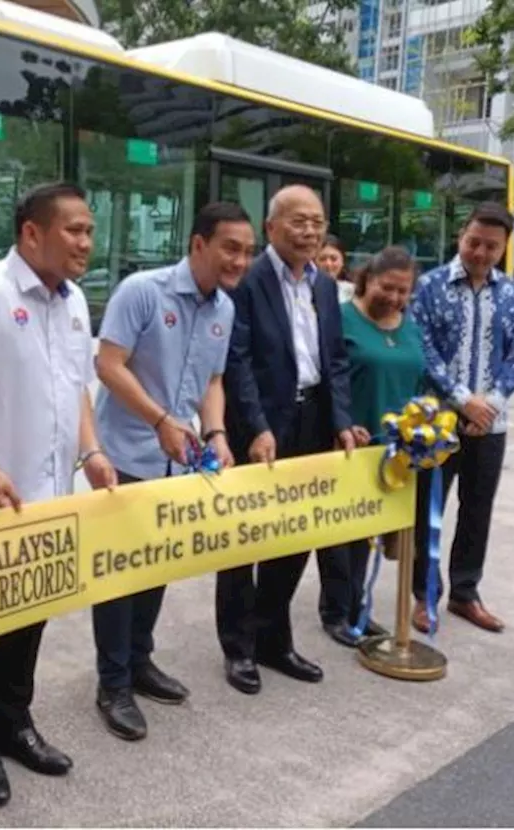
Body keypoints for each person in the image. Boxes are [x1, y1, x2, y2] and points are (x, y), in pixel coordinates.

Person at [0, 181, 117, 808]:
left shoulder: (74, 303)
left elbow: (76, 388)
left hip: (50, 498)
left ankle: (16, 722)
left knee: (30, 617)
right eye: (75, 230)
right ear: (32, 233)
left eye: (90, 231)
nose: (86, 242)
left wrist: (90, 451)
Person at [91, 202, 251, 741]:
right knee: (118, 573)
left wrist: (217, 434)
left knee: (155, 564)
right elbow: (107, 365)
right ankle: (112, 683)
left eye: (248, 252)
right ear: (199, 244)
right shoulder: (143, 290)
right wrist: (159, 418)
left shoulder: (224, 310)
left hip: (176, 459)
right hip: (124, 455)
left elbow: (212, 382)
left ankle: (139, 660)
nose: (239, 260)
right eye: (231, 247)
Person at [217, 184, 356, 695]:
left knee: (294, 533)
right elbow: (237, 361)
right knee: (245, 541)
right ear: (272, 227)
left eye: (317, 222)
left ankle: (273, 638)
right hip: (261, 426)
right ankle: (238, 648)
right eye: (299, 221)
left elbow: (335, 358)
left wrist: (341, 420)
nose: (311, 231)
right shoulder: (248, 281)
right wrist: (255, 427)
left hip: (313, 419)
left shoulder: (324, 285)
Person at [408, 202, 514, 634]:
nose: (480, 252)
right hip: (438, 423)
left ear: (503, 248)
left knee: (478, 509)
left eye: (491, 247)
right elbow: (421, 349)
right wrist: (463, 400)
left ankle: (465, 592)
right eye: (474, 242)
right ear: (462, 235)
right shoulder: (430, 286)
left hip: (489, 425)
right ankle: (425, 594)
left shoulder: (512, 293)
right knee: (430, 510)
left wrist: (490, 402)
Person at [321, 246, 425, 647]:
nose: (396, 298)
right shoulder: (342, 320)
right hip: (350, 443)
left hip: (396, 451)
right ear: (366, 280)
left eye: (404, 291)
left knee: (370, 533)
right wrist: (340, 425)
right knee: (342, 532)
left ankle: (356, 607)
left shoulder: (409, 324)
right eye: (388, 287)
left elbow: (420, 377)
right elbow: (328, 379)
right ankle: (334, 612)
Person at [317, 234, 354, 303]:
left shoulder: (353, 292)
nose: (328, 264)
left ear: (342, 262)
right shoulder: (305, 291)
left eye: (333, 259)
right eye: (322, 259)